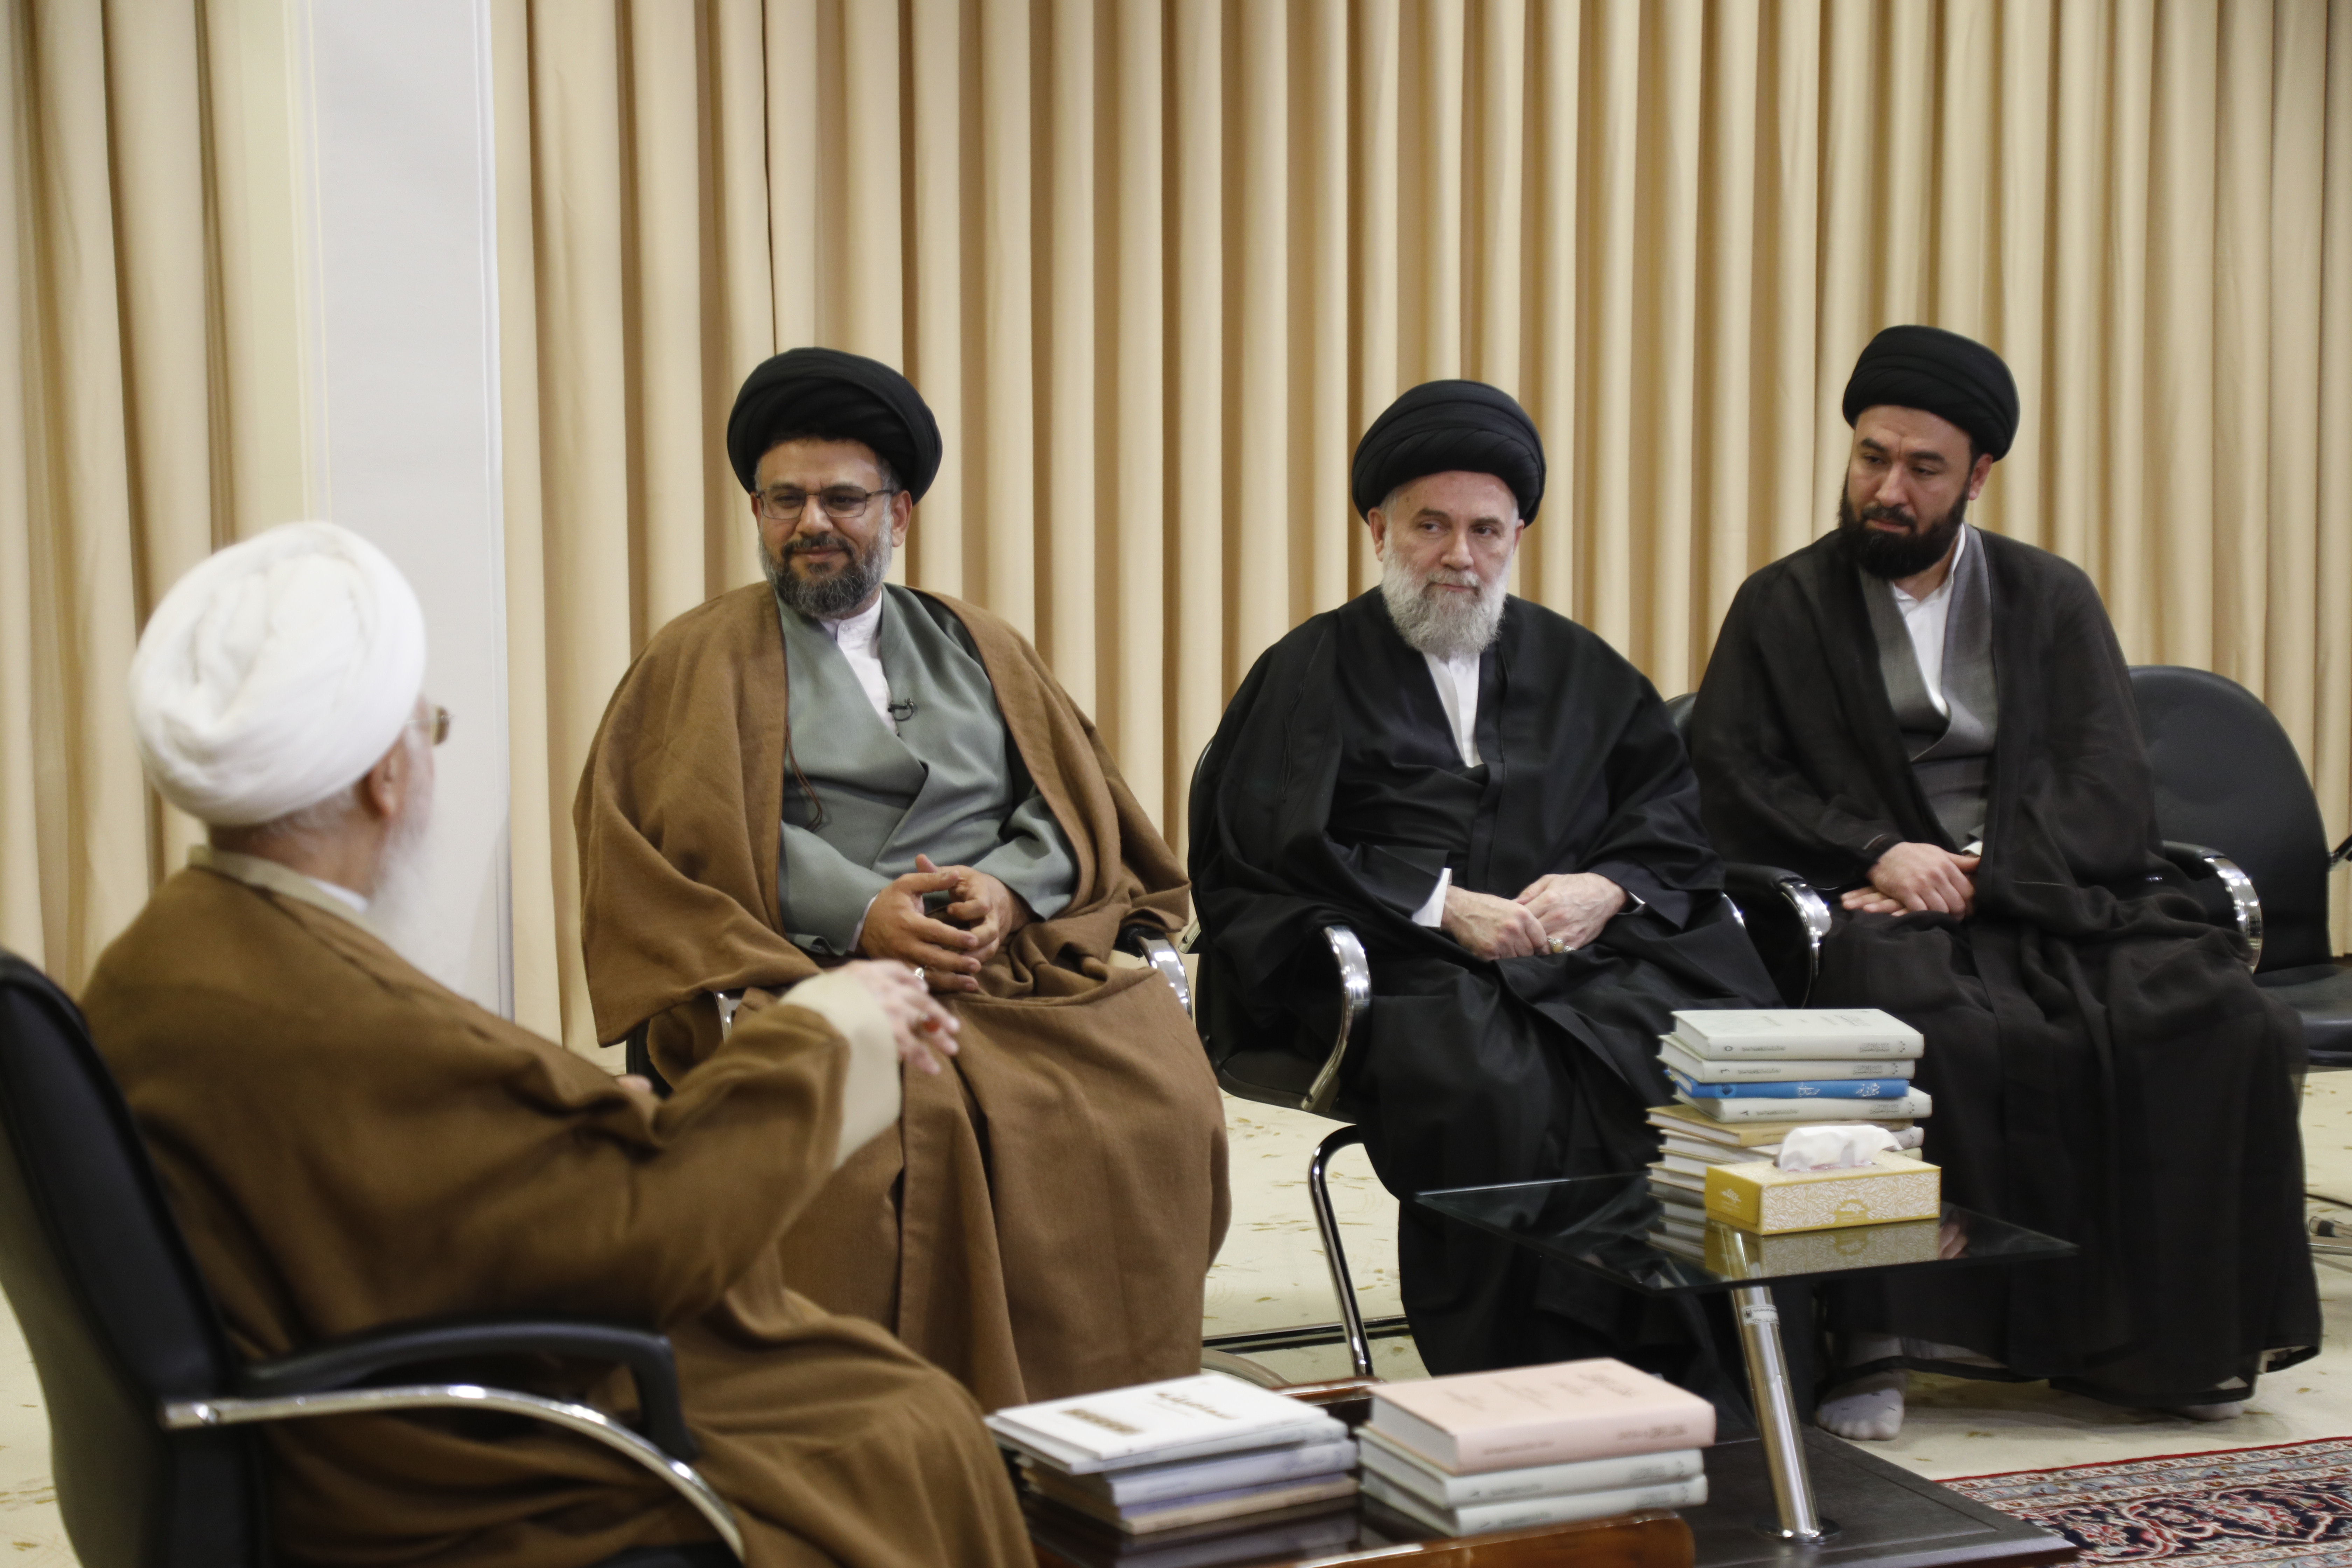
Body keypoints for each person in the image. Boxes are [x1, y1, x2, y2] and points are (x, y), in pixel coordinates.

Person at [80, 522, 1030, 1566]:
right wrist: (826, 1034)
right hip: (440, 1470)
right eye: (429, 730)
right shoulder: (330, 1015)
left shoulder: (164, 953)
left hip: (345, 1405)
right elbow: (648, 1246)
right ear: (385, 778)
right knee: (909, 1430)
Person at [1689, 325, 2319, 1437]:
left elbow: (2106, 774)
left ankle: (2159, 1337)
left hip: (2043, 891)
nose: (1889, 489)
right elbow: (1734, 773)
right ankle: (1881, 1340)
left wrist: (1992, 871)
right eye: (1873, 457)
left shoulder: (2048, 596)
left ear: (1979, 474)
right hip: (1874, 903)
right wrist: (1877, 849)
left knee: (2222, 1019)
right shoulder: (1781, 604)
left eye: (1923, 468)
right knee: (1920, 1023)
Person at [574, 346, 1228, 1411]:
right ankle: (915, 1423)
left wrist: (1008, 889)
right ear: (757, 510)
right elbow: (687, 835)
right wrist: (862, 912)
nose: (813, 524)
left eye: (842, 499)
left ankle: (1107, 1413)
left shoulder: (979, 642)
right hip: (807, 970)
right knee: (895, 1134)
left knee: (1156, 1103)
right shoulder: (698, 657)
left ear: (899, 512)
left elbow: (1071, 802)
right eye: (785, 501)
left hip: (1005, 963)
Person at [1189, 380, 1780, 1379]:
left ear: (1517, 538)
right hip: (1402, 961)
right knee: (1497, 1076)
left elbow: (1671, 820)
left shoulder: (1583, 668)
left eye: (1485, 531)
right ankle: (1528, 1372)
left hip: (1581, 958)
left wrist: (1609, 888)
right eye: (1431, 526)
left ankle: (1706, 1368)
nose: (1459, 555)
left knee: (1688, 1053)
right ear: (1379, 529)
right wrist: (1440, 904)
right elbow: (1262, 851)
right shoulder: (1311, 669)